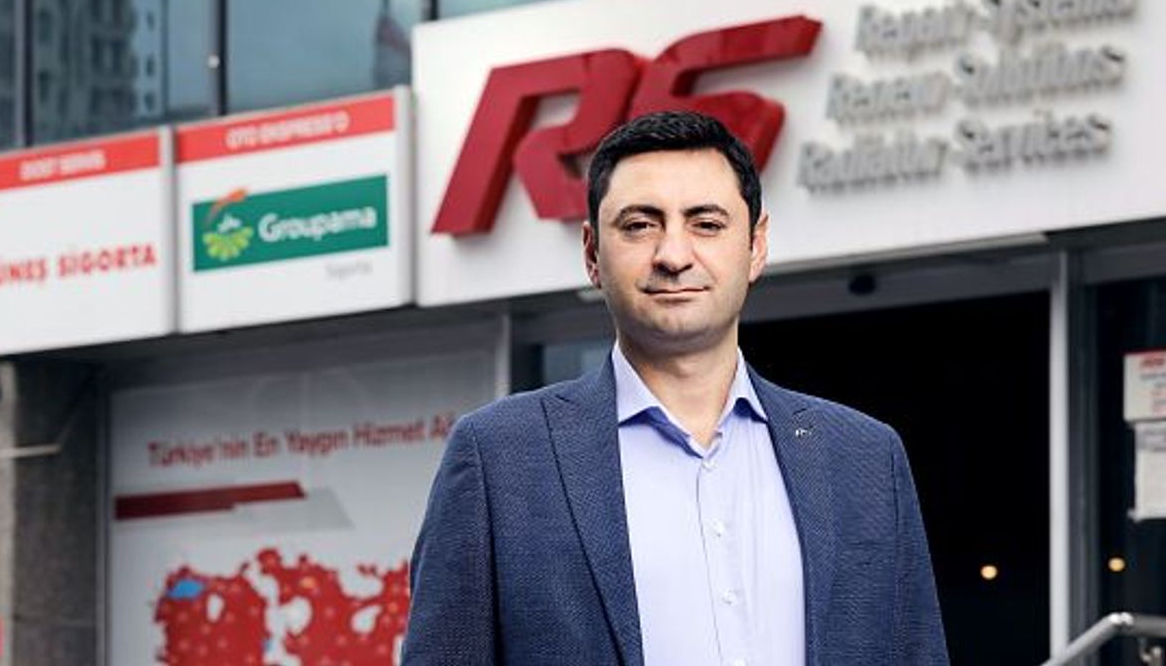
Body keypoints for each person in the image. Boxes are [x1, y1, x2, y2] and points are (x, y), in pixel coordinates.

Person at [403, 111, 949, 665]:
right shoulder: (500, 458)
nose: (673, 255)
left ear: (756, 245)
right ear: (592, 253)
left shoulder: (864, 457)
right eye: (640, 225)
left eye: (706, 224)